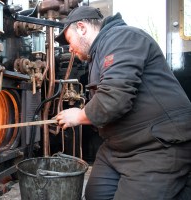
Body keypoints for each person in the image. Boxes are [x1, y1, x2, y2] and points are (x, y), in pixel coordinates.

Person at [55, 6, 191, 200]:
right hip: (119, 147)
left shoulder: (122, 37)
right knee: (95, 194)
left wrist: (79, 115)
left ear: (82, 28)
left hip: (157, 145)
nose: (70, 48)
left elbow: (114, 100)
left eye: (69, 40)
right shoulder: (98, 54)